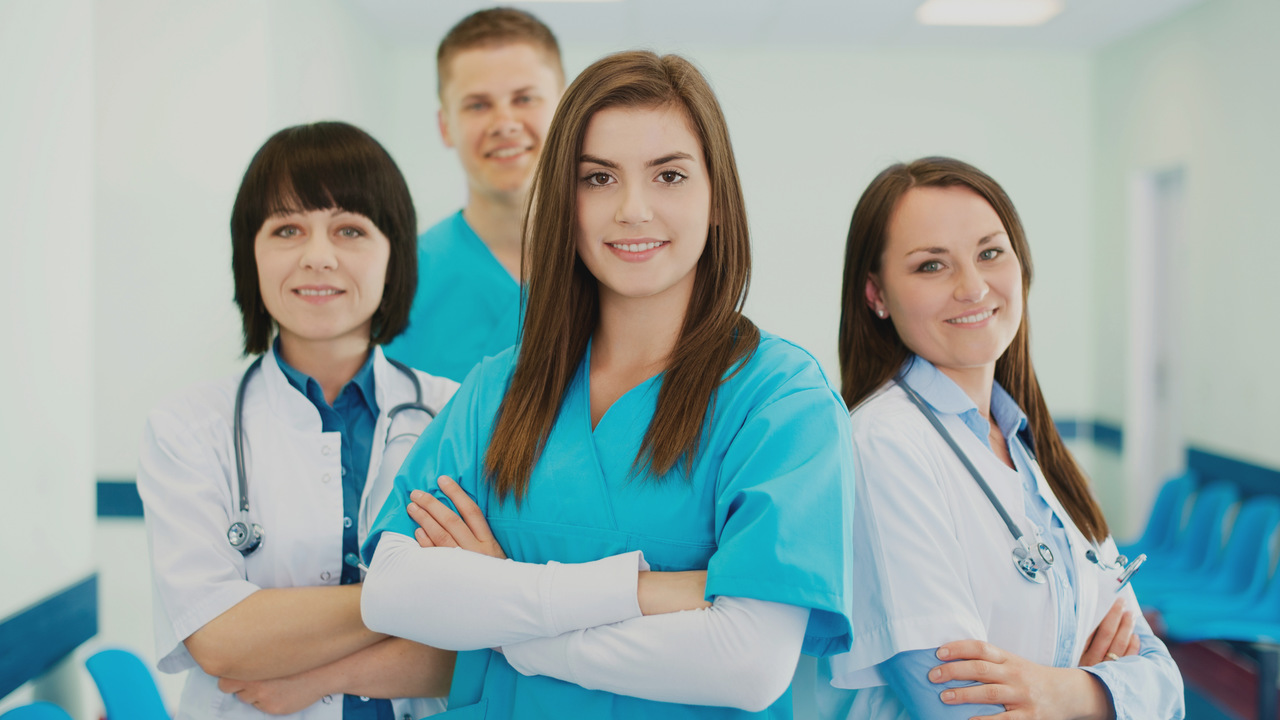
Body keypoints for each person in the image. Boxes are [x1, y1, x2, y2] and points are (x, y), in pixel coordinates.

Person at [359, 51, 856, 719]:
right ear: (566, 201)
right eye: (598, 178)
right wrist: (636, 590)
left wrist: (512, 626)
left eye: (670, 175)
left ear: (716, 200)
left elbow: (747, 663)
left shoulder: (778, 400)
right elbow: (392, 590)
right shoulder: (500, 388)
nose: (633, 209)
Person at [819, 157, 1184, 719]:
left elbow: (1163, 682)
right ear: (877, 296)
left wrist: (1055, 692)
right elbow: (957, 705)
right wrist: (1101, 694)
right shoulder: (882, 446)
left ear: (1022, 267)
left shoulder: (1035, 453)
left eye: (990, 253)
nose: (972, 287)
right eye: (931, 265)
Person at [137, 122, 460, 719]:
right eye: (287, 229)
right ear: (249, 256)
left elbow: (483, 641)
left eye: (350, 229)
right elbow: (218, 637)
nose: (318, 256)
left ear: (394, 254)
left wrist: (316, 665)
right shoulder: (187, 428)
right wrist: (418, 599)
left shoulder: (456, 414)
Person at [382, 7, 565, 382]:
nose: (505, 124)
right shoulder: (398, 281)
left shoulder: (619, 262)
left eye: (525, 98)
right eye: (478, 105)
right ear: (445, 126)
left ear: (566, 109)